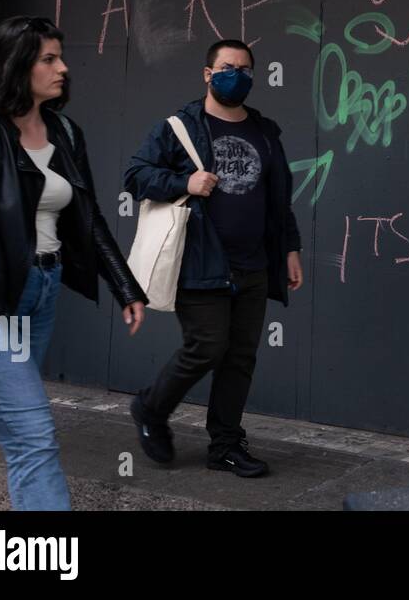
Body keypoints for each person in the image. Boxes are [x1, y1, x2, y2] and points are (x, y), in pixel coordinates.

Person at [0, 15, 148, 510]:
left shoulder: (65, 134)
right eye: (49, 59)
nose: (63, 68)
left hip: (36, 299)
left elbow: (87, 219)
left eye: (60, 57)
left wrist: (125, 286)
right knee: (33, 436)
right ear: (16, 66)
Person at [124, 39, 303, 478]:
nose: (235, 75)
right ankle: (150, 407)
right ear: (208, 74)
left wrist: (290, 249)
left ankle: (224, 445)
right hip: (202, 261)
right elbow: (136, 175)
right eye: (226, 67)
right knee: (207, 345)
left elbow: (280, 200)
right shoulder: (179, 127)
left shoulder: (264, 131)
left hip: (255, 263)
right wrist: (187, 181)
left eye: (244, 69)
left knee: (240, 356)